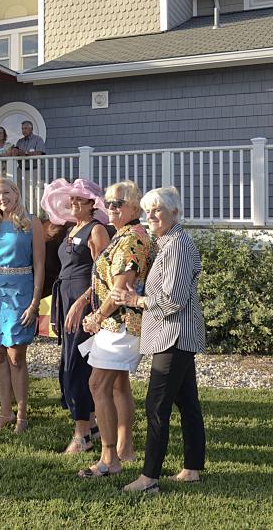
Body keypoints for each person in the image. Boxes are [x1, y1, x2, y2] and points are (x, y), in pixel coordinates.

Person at [114, 187, 206, 495]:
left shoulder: (177, 245)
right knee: (186, 402)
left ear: (175, 214)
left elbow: (173, 299)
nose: (150, 216)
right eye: (147, 211)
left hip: (173, 335)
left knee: (156, 405)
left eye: (157, 211)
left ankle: (149, 478)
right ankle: (192, 468)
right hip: (174, 334)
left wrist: (135, 300)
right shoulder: (168, 242)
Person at [76, 180, 151, 478]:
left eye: (118, 203)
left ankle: (109, 460)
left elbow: (120, 290)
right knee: (118, 385)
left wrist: (96, 316)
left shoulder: (132, 239)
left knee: (98, 385)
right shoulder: (125, 234)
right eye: (107, 202)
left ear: (134, 206)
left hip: (121, 322)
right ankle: (125, 449)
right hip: (120, 323)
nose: (111, 207)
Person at [42, 178, 112, 454]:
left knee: (78, 365)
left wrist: (82, 302)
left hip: (83, 302)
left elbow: (103, 276)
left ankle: (81, 434)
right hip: (65, 298)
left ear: (92, 205)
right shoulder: (72, 229)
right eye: (71, 199)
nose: (72, 204)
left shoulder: (97, 231)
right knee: (67, 363)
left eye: (78, 200)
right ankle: (92, 423)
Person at [0, 177, 45, 433]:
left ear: (16, 194)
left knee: (16, 356)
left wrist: (35, 300)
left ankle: (22, 415)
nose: (1, 198)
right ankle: (5, 412)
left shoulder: (31, 223)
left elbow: (39, 264)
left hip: (20, 292)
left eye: (6, 192)